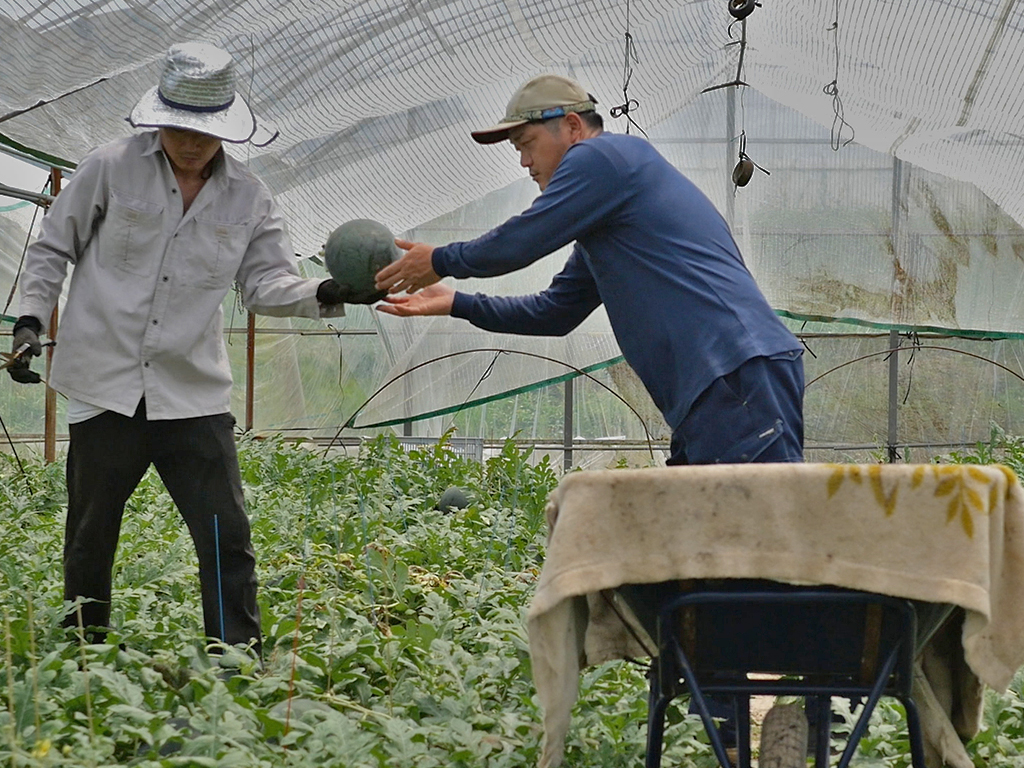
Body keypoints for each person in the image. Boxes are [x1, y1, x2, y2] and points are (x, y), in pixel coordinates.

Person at [374, 73, 806, 754]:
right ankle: (737, 721)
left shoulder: (610, 159)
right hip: (713, 393)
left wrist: (443, 262)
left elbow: (517, 243)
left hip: (738, 373)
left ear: (573, 127)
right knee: (706, 557)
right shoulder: (607, 219)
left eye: (526, 141)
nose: (522, 159)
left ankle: (789, 710)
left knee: (748, 552)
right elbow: (553, 310)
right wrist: (456, 301)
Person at [7, 42, 364, 657]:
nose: (191, 142)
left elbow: (264, 285)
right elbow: (51, 249)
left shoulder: (248, 198)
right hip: (104, 384)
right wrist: (29, 322)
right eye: (179, 128)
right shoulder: (110, 167)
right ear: (160, 116)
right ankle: (86, 656)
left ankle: (236, 658)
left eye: (204, 130)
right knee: (91, 534)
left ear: (225, 126)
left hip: (189, 391)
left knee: (225, 533)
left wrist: (326, 289)